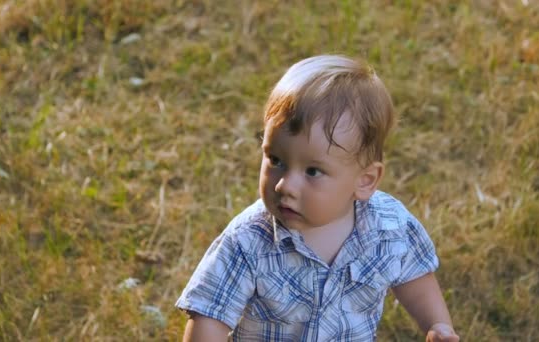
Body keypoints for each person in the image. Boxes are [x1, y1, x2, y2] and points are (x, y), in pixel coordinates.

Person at [176, 55, 459, 341]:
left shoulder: (388, 228)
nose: (285, 186)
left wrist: (437, 324)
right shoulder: (248, 240)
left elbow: (415, 276)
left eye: (312, 171)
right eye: (276, 160)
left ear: (365, 181)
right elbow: (209, 316)